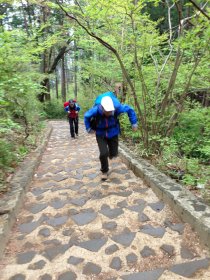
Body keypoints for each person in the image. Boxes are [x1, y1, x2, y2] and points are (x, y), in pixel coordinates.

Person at [84, 92, 138, 180]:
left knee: (114, 153)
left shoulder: (118, 108)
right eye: (107, 111)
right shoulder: (96, 110)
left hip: (113, 131)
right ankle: (104, 171)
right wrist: (88, 128)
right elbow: (86, 116)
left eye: (111, 111)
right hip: (100, 133)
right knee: (103, 153)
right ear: (102, 108)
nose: (109, 113)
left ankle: (111, 154)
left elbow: (130, 110)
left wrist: (134, 123)